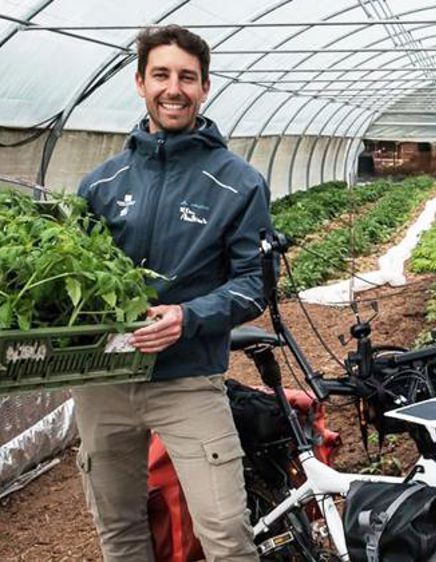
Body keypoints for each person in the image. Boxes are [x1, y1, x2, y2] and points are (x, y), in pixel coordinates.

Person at [72, 24, 271, 561]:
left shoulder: (239, 182)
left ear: (204, 88)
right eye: (161, 74)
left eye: (187, 77)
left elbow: (255, 285)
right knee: (120, 532)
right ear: (140, 83)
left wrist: (190, 316)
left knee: (226, 533)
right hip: (104, 381)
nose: (173, 88)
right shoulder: (101, 184)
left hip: (186, 381)